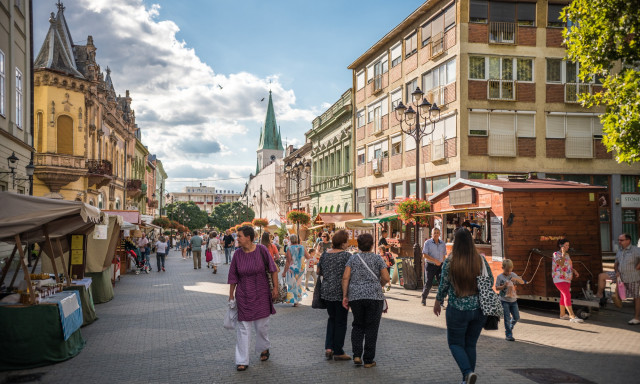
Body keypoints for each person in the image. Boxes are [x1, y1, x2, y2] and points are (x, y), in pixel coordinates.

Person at [434, 228, 491, 384]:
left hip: (457, 309)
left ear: (456, 242)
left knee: (455, 344)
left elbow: (443, 284)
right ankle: (467, 378)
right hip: (479, 310)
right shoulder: (480, 259)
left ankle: (467, 373)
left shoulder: (451, 260)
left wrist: (438, 301)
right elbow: (489, 281)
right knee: (470, 345)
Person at [228, 225, 279, 371]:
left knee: (262, 326)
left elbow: (273, 269)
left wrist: (275, 288)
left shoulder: (262, 250)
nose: (237, 239)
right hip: (244, 294)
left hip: (262, 292)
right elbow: (233, 276)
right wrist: (231, 295)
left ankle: (264, 347)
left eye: (240, 236)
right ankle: (242, 360)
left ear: (249, 237)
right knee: (244, 328)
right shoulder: (237, 254)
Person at [342, 233, 390, 368]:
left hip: (356, 296)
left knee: (357, 325)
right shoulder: (377, 258)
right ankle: (368, 360)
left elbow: (345, 277)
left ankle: (357, 355)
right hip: (374, 297)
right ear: (372, 245)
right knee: (371, 328)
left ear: (359, 245)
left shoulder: (353, 259)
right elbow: (386, 278)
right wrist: (378, 285)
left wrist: (345, 295)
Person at [317, 230, 352, 361]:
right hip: (341, 292)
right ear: (342, 243)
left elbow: (319, 271)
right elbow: (349, 275)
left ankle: (329, 347)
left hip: (326, 291)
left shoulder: (325, 255)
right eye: (347, 241)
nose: (348, 243)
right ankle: (338, 351)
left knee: (332, 318)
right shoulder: (346, 256)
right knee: (341, 321)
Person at [596, 233, 640, 324]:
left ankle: (636, 318)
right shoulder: (619, 251)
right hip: (619, 275)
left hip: (632, 277)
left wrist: (638, 267)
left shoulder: (636, 250)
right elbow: (616, 263)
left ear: (628, 241)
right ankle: (599, 296)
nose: (619, 242)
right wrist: (616, 271)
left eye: (621, 240)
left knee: (636, 297)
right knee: (602, 276)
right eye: (619, 240)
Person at [552, 239, 583, 323]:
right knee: (567, 294)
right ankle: (572, 315)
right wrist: (563, 254)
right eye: (566, 245)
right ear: (561, 246)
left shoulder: (567, 254)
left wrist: (574, 270)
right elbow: (561, 264)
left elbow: (568, 265)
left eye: (568, 245)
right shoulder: (556, 254)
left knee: (563, 296)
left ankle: (562, 314)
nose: (567, 247)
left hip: (567, 278)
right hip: (559, 278)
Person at [495, 259, 524, 341]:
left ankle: (510, 327)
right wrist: (503, 286)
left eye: (510, 271)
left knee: (516, 317)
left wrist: (516, 279)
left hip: (513, 300)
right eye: (507, 271)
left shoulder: (513, 274)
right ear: (502, 268)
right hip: (504, 301)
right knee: (506, 318)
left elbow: (522, 282)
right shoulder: (500, 277)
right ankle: (508, 334)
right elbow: (497, 288)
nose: (508, 273)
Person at [282, 234, 311, 307]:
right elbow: (308, 257)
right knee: (298, 283)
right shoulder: (302, 247)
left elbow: (288, 261)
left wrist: (284, 272)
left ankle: (294, 300)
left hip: (292, 269)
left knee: (292, 284)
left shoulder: (289, 248)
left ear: (290, 240)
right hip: (301, 268)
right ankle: (297, 300)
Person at [421, 227, 447, 306]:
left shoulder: (442, 243)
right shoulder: (427, 243)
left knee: (441, 283)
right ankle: (424, 298)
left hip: (440, 266)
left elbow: (444, 255)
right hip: (430, 265)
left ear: (439, 234)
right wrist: (435, 261)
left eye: (437, 232)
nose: (436, 234)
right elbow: (424, 255)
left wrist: (442, 263)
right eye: (434, 233)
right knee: (429, 283)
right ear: (431, 234)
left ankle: (441, 302)